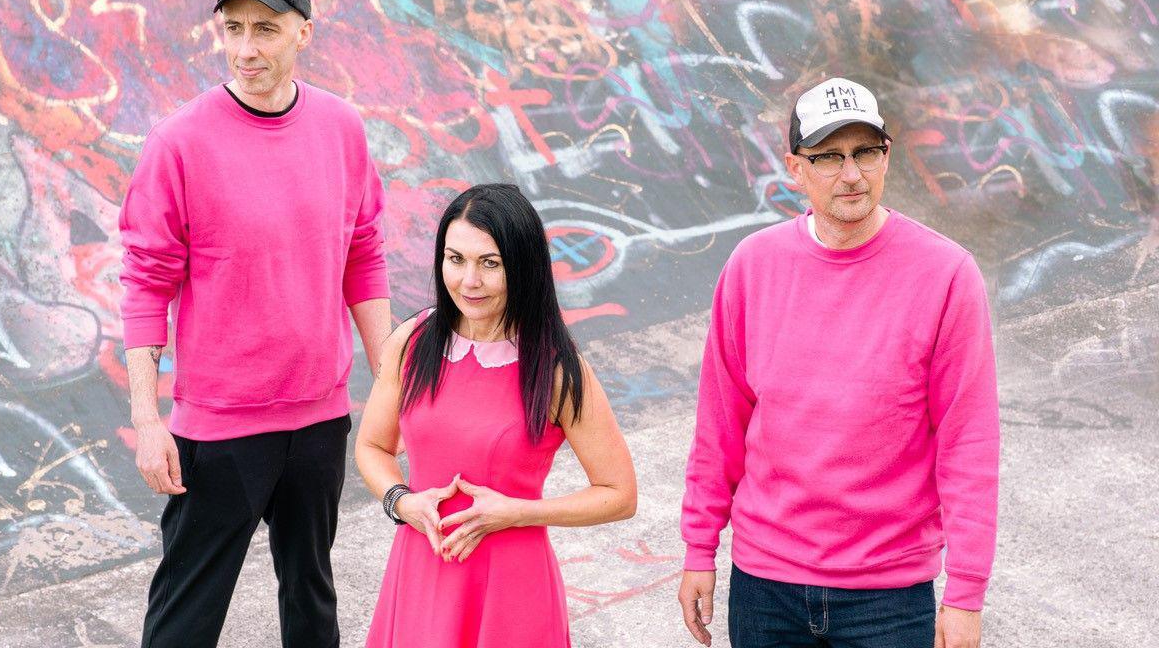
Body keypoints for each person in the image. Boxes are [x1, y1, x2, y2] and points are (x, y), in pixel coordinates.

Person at [118, 0, 390, 648]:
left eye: (266, 29)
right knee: (186, 614)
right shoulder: (178, 142)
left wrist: (390, 383)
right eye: (232, 29)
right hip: (218, 429)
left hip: (320, 417)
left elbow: (363, 254)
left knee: (312, 598)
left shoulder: (341, 128)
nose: (246, 48)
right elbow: (146, 285)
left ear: (304, 33)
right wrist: (149, 420)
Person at [677, 78, 999, 648]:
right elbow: (720, 424)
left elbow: (968, 440)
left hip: (890, 595)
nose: (851, 174)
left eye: (865, 152)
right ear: (795, 168)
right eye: (829, 156)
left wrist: (966, 591)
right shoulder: (753, 268)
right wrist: (700, 547)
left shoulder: (946, 274)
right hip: (765, 585)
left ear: (886, 157)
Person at [355, 183, 637, 648]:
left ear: (522, 267)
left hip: (512, 585)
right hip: (422, 569)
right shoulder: (412, 340)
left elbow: (619, 494)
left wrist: (515, 513)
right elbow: (373, 446)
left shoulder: (556, 368)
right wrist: (402, 501)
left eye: (490, 263)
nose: (469, 281)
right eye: (456, 259)